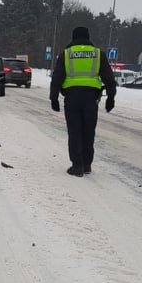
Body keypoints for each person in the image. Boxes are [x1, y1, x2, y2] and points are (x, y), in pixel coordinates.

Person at [49, 26, 117, 177]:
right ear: (88, 37)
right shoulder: (98, 54)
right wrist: (111, 97)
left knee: (75, 131)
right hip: (91, 98)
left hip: (72, 98)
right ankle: (87, 164)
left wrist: (54, 98)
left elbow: (57, 78)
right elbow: (109, 78)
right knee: (88, 131)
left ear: (73, 38)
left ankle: (77, 165)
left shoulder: (66, 54)